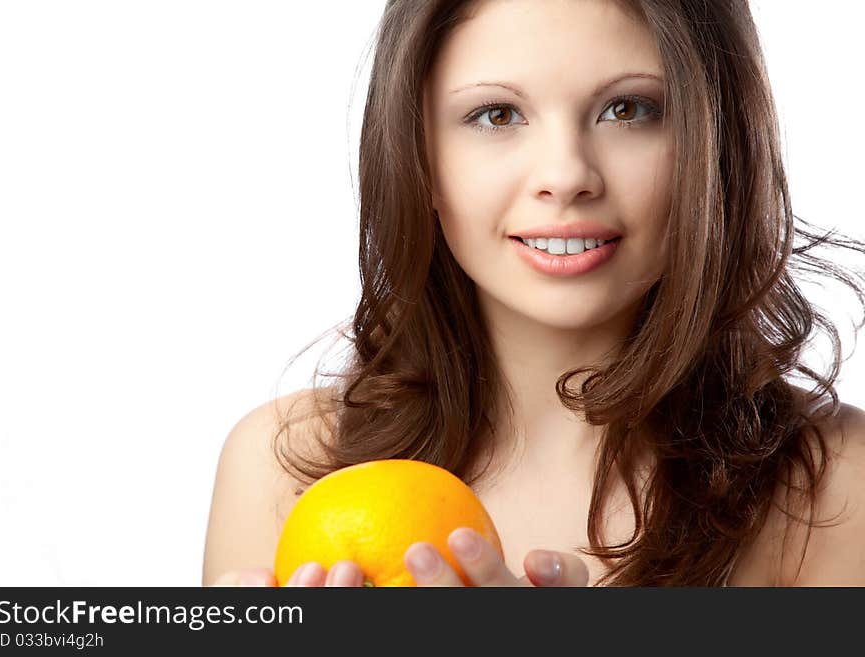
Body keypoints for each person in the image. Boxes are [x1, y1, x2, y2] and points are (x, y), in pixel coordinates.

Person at [202, 0, 865, 587]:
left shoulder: (835, 485)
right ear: (419, 158)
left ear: (717, 146)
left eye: (628, 110)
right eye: (497, 114)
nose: (566, 175)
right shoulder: (283, 470)